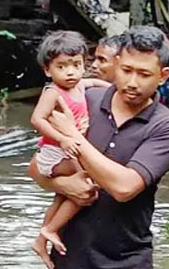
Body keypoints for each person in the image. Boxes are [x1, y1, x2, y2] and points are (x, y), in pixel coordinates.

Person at [29, 25, 169, 269]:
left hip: (126, 261)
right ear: (116, 63)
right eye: (126, 70)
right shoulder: (86, 100)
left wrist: (73, 134)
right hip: (68, 256)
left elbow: (124, 187)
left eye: (144, 74)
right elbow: (38, 166)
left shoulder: (166, 126)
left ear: (163, 76)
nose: (132, 82)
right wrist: (62, 184)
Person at [29, 30, 111, 268]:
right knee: (86, 184)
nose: (71, 72)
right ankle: (50, 230)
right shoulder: (53, 92)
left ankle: (41, 238)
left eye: (76, 65)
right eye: (62, 67)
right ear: (48, 70)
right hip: (54, 154)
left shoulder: (80, 85)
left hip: (65, 151)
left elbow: (95, 82)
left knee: (63, 194)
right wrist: (63, 139)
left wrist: (113, 90)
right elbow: (37, 120)